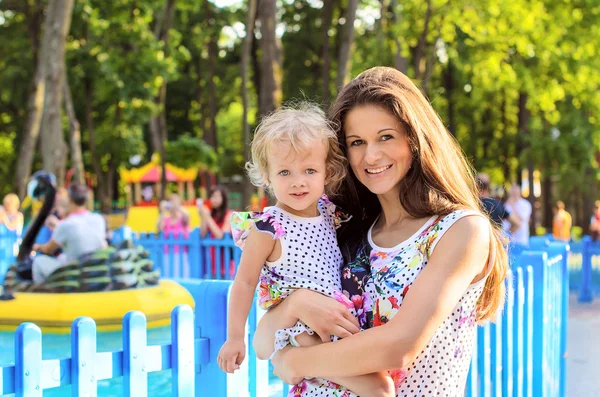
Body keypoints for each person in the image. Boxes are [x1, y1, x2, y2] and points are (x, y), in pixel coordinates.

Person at [251, 67, 508, 396]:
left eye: (385, 136)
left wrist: (297, 362)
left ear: (414, 139)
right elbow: (262, 342)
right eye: (357, 142)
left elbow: (398, 347)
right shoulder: (341, 227)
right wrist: (295, 305)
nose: (371, 155)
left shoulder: (460, 231)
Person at [217, 103, 395, 397]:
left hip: (333, 317)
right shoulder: (268, 228)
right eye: (285, 172)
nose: (298, 181)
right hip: (300, 330)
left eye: (309, 170)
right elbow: (244, 282)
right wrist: (235, 338)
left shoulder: (328, 213)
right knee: (379, 389)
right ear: (267, 175)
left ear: (327, 171)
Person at [31, 184, 106, 284]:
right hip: (93, 267)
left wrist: (37, 247)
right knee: (62, 257)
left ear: (69, 200)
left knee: (38, 261)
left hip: (74, 270)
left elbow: (48, 249)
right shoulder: (98, 219)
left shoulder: (67, 224)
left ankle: (43, 293)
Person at [197, 186, 235, 277]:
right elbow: (202, 234)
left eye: (217, 196)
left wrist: (208, 217)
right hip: (211, 261)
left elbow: (221, 235)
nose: (214, 199)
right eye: (212, 197)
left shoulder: (229, 215)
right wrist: (203, 217)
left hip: (225, 262)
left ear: (223, 198)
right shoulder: (210, 215)